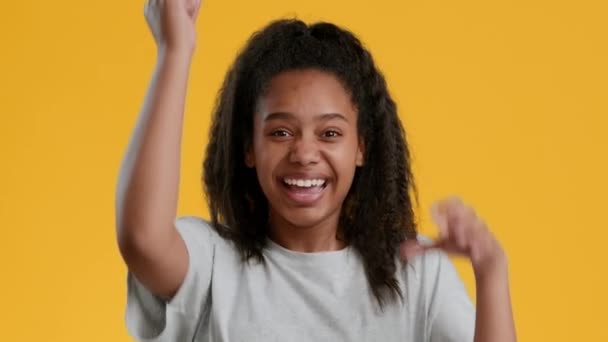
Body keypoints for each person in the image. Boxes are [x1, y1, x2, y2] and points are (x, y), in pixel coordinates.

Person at [115, 0, 517, 341]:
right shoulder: (213, 264)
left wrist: (491, 272)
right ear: (248, 148)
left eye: (329, 133)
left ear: (361, 147)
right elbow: (142, 238)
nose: (305, 153)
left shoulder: (416, 274)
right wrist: (175, 51)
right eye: (281, 131)